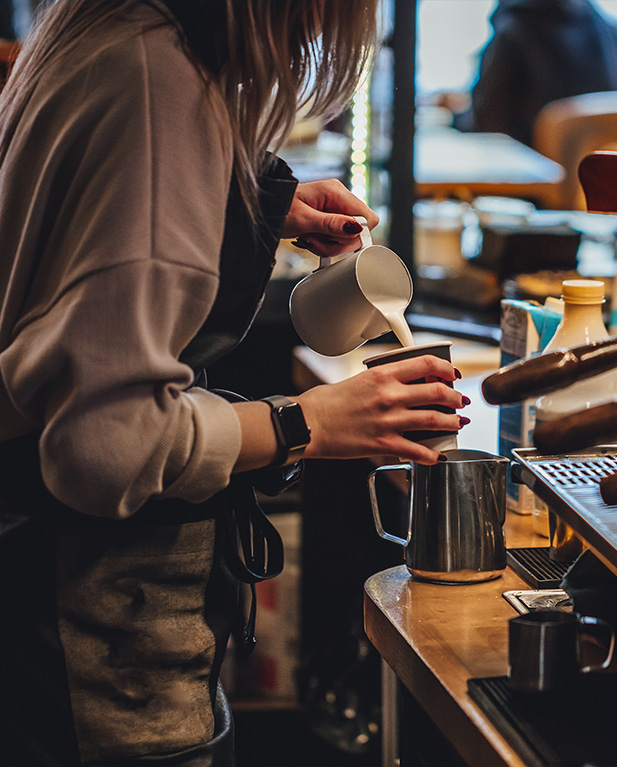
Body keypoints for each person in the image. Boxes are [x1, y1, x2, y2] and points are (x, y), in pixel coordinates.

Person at [0, 1, 467, 765]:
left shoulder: (110, 28)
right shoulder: (161, 82)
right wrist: (304, 424)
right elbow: (105, 447)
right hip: (84, 624)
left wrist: (253, 198)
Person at [451, 0, 617, 147]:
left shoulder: (514, 28)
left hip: (539, 190)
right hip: (611, 187)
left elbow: (487, 123)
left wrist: (454, 115)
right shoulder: (602, 27)